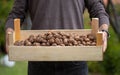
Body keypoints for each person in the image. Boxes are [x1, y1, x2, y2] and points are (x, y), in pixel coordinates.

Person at [5, 0, 110, 75]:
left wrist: (103, 31)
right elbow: (16, 14)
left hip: (75, 61)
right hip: (39, 61)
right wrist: (9, 33)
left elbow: (98, 10)